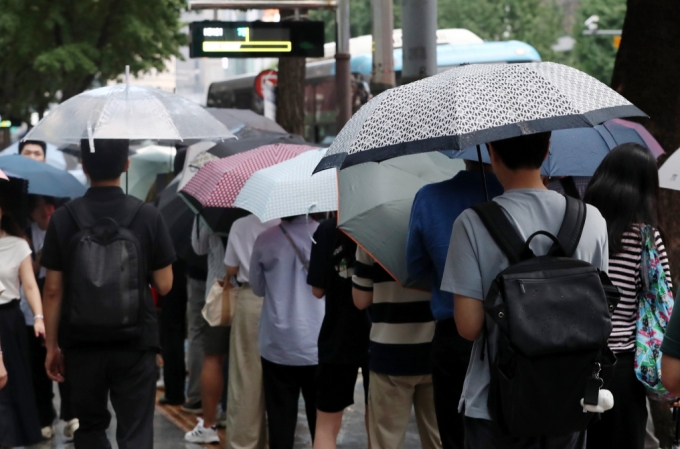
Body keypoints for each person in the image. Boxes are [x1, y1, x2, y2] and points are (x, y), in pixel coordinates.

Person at [442, 132, 608, 449]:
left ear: (491, 152)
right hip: (570, 396)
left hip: (494, 401)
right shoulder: (592, 220)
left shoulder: (472, 223)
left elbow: (468, 326)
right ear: (547, 149)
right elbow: (599, 313)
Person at [42, 138, 175, 449]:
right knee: (136, 429)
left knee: (89, 426)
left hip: (81, 343)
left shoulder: (64, 217)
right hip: (135, 342)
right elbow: (165, 284)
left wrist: (52, 347)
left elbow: (51, 290)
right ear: (126, 164)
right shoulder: (147, 215)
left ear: (85, 167)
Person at [406, 161, 503, 449]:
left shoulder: (429, 197)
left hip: (453, 336)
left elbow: (414, 269)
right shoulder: (518, 198)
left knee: (454, 436)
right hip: (514, 335)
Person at [583, 143, 671, 449]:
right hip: (622, 368)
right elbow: (663, 298)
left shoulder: (578, 226)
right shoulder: (646, 237)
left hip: (576, 359)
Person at [353, 248, 441, 449]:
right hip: (436, 352)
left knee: (386, 443)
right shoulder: (444, 224)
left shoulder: (372, 230)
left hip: (389, 352)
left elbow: (360, 300)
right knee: (439, 440)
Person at [250, 215, 324, 449]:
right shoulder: (325, 236)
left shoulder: (265, 239)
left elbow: (257, 288)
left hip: (277, 344)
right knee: (321, 422)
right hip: (317, 341)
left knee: (280, 420)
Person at [307, 217, 370, 449]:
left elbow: (317, 290)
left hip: (338, 333)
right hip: (378, 335)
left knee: (326, 426)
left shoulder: (327, 229)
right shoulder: (382, 224)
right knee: (379, 427)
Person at [223, 213, 279, 449]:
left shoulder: (239, 225)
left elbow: (231, 268)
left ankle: (244, 443)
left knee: (246, 375)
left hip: (249, 298)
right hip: (281, 298)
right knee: (278, 377)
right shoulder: (285, 224)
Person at [0, 197, 45, 448]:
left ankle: (11, 437)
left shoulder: (18, 245)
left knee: (12, 384)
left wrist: (38, 318)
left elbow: (29, 284)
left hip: (9, 319)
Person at [185, 219, 231, 444]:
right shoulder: (263, 201)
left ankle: (209, 424)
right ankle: (246, 424)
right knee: (251, 364)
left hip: (219, 292)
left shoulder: (213, 205)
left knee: (213, 358)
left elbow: (199, 247)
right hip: (255, 292)